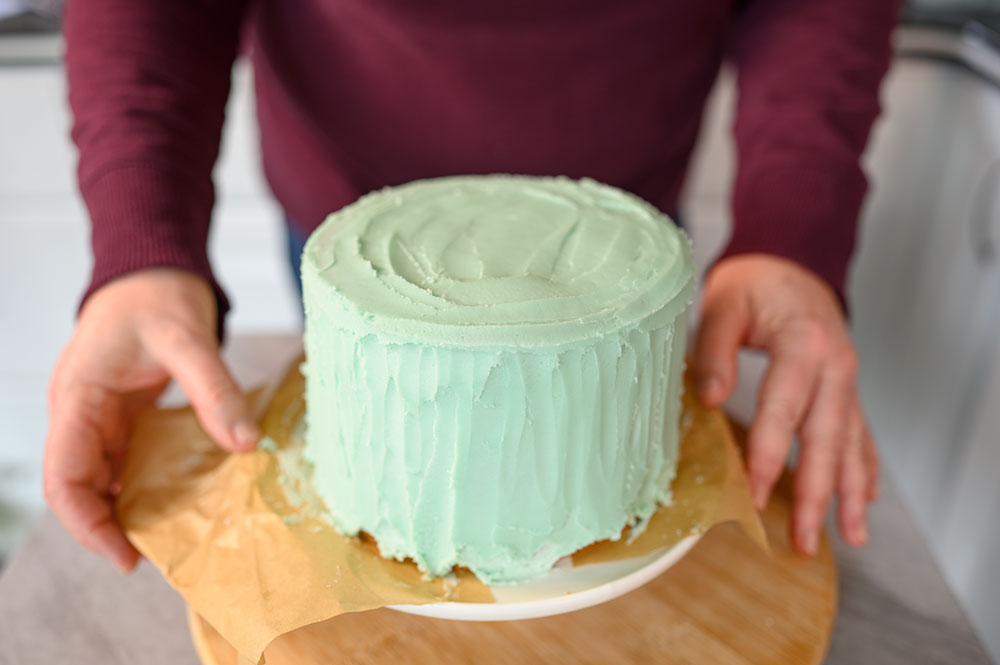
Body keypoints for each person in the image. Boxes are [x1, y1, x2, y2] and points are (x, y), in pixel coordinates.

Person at [45, 0, 900, 573]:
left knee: (579, 441)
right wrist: (141, 240)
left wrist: (792, 227)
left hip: (613, 258)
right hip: (354, 244)